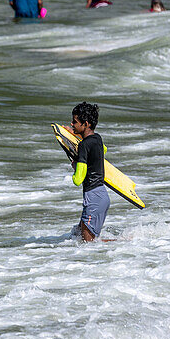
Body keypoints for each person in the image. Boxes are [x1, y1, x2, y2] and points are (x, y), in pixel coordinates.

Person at [68, 102, 108, 242]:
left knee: (88, 245)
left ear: (85, 124)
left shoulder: (84, 145)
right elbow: (103, 150)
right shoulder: (97, 138)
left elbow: (78, 179)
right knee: (77, 234)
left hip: (93, 198)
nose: (72, 124)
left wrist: (75, 166)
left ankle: (127, 243)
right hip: (102, 195)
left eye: (74, 122)